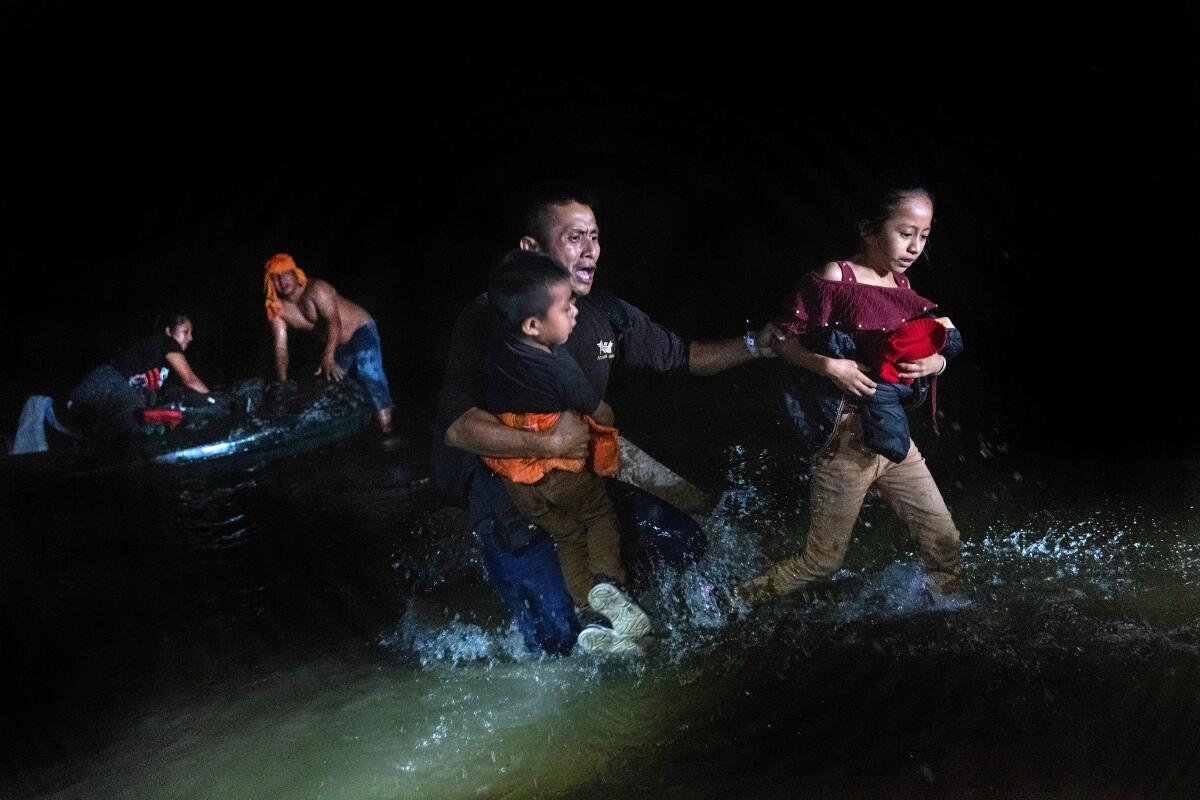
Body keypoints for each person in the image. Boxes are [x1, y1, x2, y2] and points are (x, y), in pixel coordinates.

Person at [436, 188, 785, 657]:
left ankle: (625, 610)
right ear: (531, 250)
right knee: (558, 644)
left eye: (595, 237)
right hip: (505, 490)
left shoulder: (606, 313)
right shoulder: (486, 319)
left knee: (688, 545)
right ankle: (583, 611)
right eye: (575, 237)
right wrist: (548, 444)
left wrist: (755, 346)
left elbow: (682, 356)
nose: (590, 249)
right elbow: (458, 427)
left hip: (577, 473)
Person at [737, 186, 964, 603]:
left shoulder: (901, 285)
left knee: (945, 541)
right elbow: (780, 340)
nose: (915, 246)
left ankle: (947, 616)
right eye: (905, 232)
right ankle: (732, 600)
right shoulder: (834, 278)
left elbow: (925, 344)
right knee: (822, 561)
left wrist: (939, 362)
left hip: (889, 436)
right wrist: (829, 366)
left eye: (925, 235)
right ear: (869, 230)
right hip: (842, 443)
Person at [483, 249, 651, 655]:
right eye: (567, 307)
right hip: (563, 473)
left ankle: (591, 619)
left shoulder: (494, 358)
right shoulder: (557, 364)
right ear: (534, 325)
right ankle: (609, 586)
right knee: (596, 516)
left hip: (516, 485)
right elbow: (601, 411)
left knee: (567, 535)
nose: (576, 312)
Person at [263, 253, 395, 433]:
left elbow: (334, 321)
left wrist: (328, 356)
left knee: (368, 373)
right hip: (337, 346)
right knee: (328, 388)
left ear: (295, 273)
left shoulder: (316, 289)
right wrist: (283, 383)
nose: (281, 281)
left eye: (285, 274)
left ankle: (387, 431)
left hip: (360, 331)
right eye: (275, 278)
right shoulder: (277, 308)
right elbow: (280, 347)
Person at [67, 313, 211, 438]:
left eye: (191, 333)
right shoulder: (168, 342)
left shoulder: (159, 362)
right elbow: (190, 379)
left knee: (148, 405)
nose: (191, 337)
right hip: (103, 383)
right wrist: (216, 401)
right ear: (168, 331)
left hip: (97, 399)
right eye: (185, 332)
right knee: (137, 419)